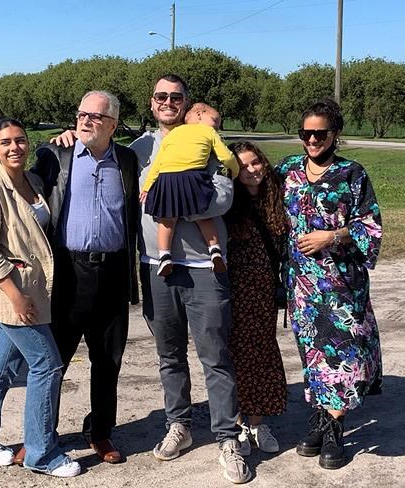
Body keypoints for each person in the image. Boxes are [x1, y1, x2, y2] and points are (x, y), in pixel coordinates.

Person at [131, 74, 250, 484]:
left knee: (215, 355)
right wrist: (68, 137)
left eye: (175, 96)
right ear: (152, 103)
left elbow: (224, 196)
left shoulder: (205, 139)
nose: (168, 102)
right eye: (161, 96)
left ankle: (228, 438)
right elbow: (108, 168)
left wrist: (173, 201)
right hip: (156, 264)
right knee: (169, 355)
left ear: (186, 103)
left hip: (205, 267)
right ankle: (179, 425)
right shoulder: (139, 149)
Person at [0, 118, 80, 478]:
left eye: (20, 140)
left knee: (1, 369)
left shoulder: (33, 181)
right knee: (47, 365)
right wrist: (16, 298)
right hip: (12, 294)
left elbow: (52, 160)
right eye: (6, 142)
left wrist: (64, 137)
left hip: (35, 289)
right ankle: (41, 454)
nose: (14, 147)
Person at [29, 90, 139, 465]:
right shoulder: (56, 155)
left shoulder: (127, 160)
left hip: (112, 272)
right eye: (81, 115)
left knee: (107, 360)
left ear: (113, 125)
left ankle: (100, 432)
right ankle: (41, 434)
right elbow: (24, 190)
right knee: (54, 359)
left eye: (95, 116)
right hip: (67, 273)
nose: (86, 121)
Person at [275, 98, 383, 470]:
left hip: (341, 284)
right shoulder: (287, 170)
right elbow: (256, 193)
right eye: (305, 133)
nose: (312, 140)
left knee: (343, 355)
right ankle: (322, 419)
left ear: (335, 134)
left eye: (320, 134)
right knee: (314, 355)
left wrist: (332, 237)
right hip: (301, 284)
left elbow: (370, 226)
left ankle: (335, 428)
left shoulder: (352, 174)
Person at [225, 141, 289, 456]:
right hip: (234, 290)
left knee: (262, 352)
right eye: (243, 167)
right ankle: (238, 423)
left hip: (264, 291)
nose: (251, 170)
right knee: (236, 355)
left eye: (255, 163)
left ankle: (257, 422)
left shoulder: (276, 196)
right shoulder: (228, 202)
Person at [139, 102, 239, 276]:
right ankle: (214, 250)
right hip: (194, 177)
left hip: (167, 179)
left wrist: (147, 187)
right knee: (203, 216)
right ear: (199, 114)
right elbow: (226, 156)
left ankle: (164, 256)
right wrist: (234, 171)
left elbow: (158, 164)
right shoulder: (208, 132)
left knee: (166, 220)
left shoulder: (173, 134)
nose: (217, 126)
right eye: (215, 120)